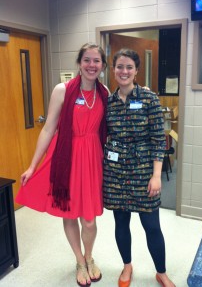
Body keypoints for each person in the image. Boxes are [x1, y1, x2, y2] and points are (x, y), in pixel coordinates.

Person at [16, 42, 109, 287]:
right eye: (87, 60)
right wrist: (32, 166)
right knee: (69, 212)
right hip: (66, 157)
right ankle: (79, 261)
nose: (91, 65)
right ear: (79, 63)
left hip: (92, 158)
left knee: (89, 219)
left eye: (96, 61)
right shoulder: (62, 90)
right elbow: (48, 129)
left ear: (102, 65)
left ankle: (90, 257)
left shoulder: (105, 92)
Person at [103, 48, 175, 287]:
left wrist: (157, 176)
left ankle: (161, 272)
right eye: (120, 67)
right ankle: (127, 267)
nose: (124, 71)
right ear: (113, 70)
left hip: (144, 171)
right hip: (115, 173)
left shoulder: (149, 99)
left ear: (136, 71)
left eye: (129, 67)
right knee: (121, 224)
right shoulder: (109, 101)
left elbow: (158, 138)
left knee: (152, 226)